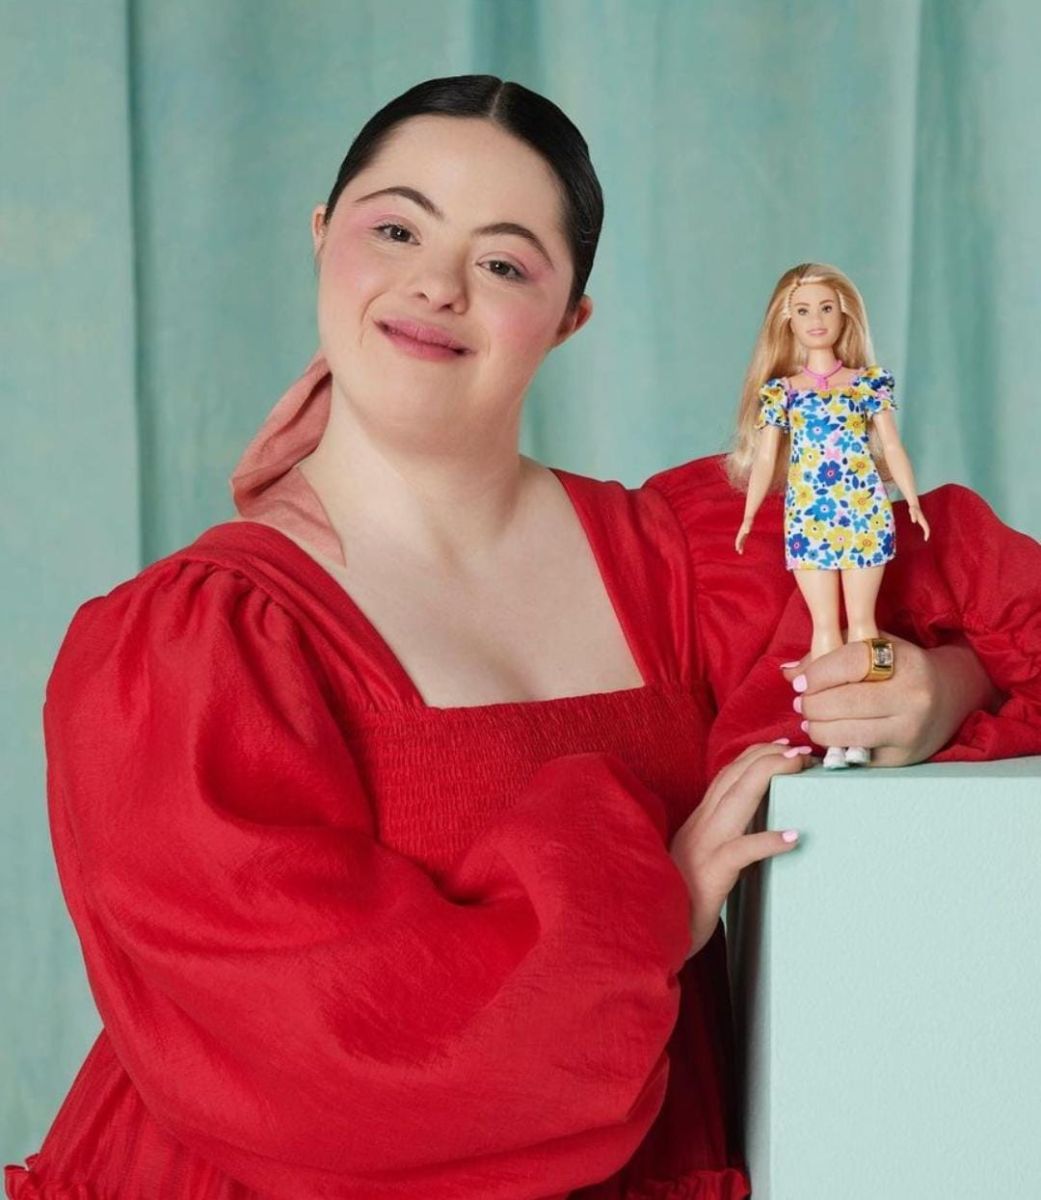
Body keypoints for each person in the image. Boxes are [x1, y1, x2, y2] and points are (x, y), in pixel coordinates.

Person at [6, 75, 1039, 1200]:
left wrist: (935, 684)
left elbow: (987, 613)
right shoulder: (192, 645)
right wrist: (652, 915)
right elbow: (321, 1049)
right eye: (395, 229)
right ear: (320, 237)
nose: (435, 284)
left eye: (503, 263)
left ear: (570, 316)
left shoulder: (686, 563)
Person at [732, 262, 930, 769]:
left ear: (845, 315)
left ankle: (864, 730)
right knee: (824, 627)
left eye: (825, 308)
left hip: (863, 510)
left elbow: (891, 445)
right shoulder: (782, 391)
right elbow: (767, 460)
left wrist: (912, 499)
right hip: (809, 518)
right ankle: (834, 738)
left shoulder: (867, 384)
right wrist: (749, 516)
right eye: (803, 311)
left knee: (863, 623)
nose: (816, 319)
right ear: (787, 321)